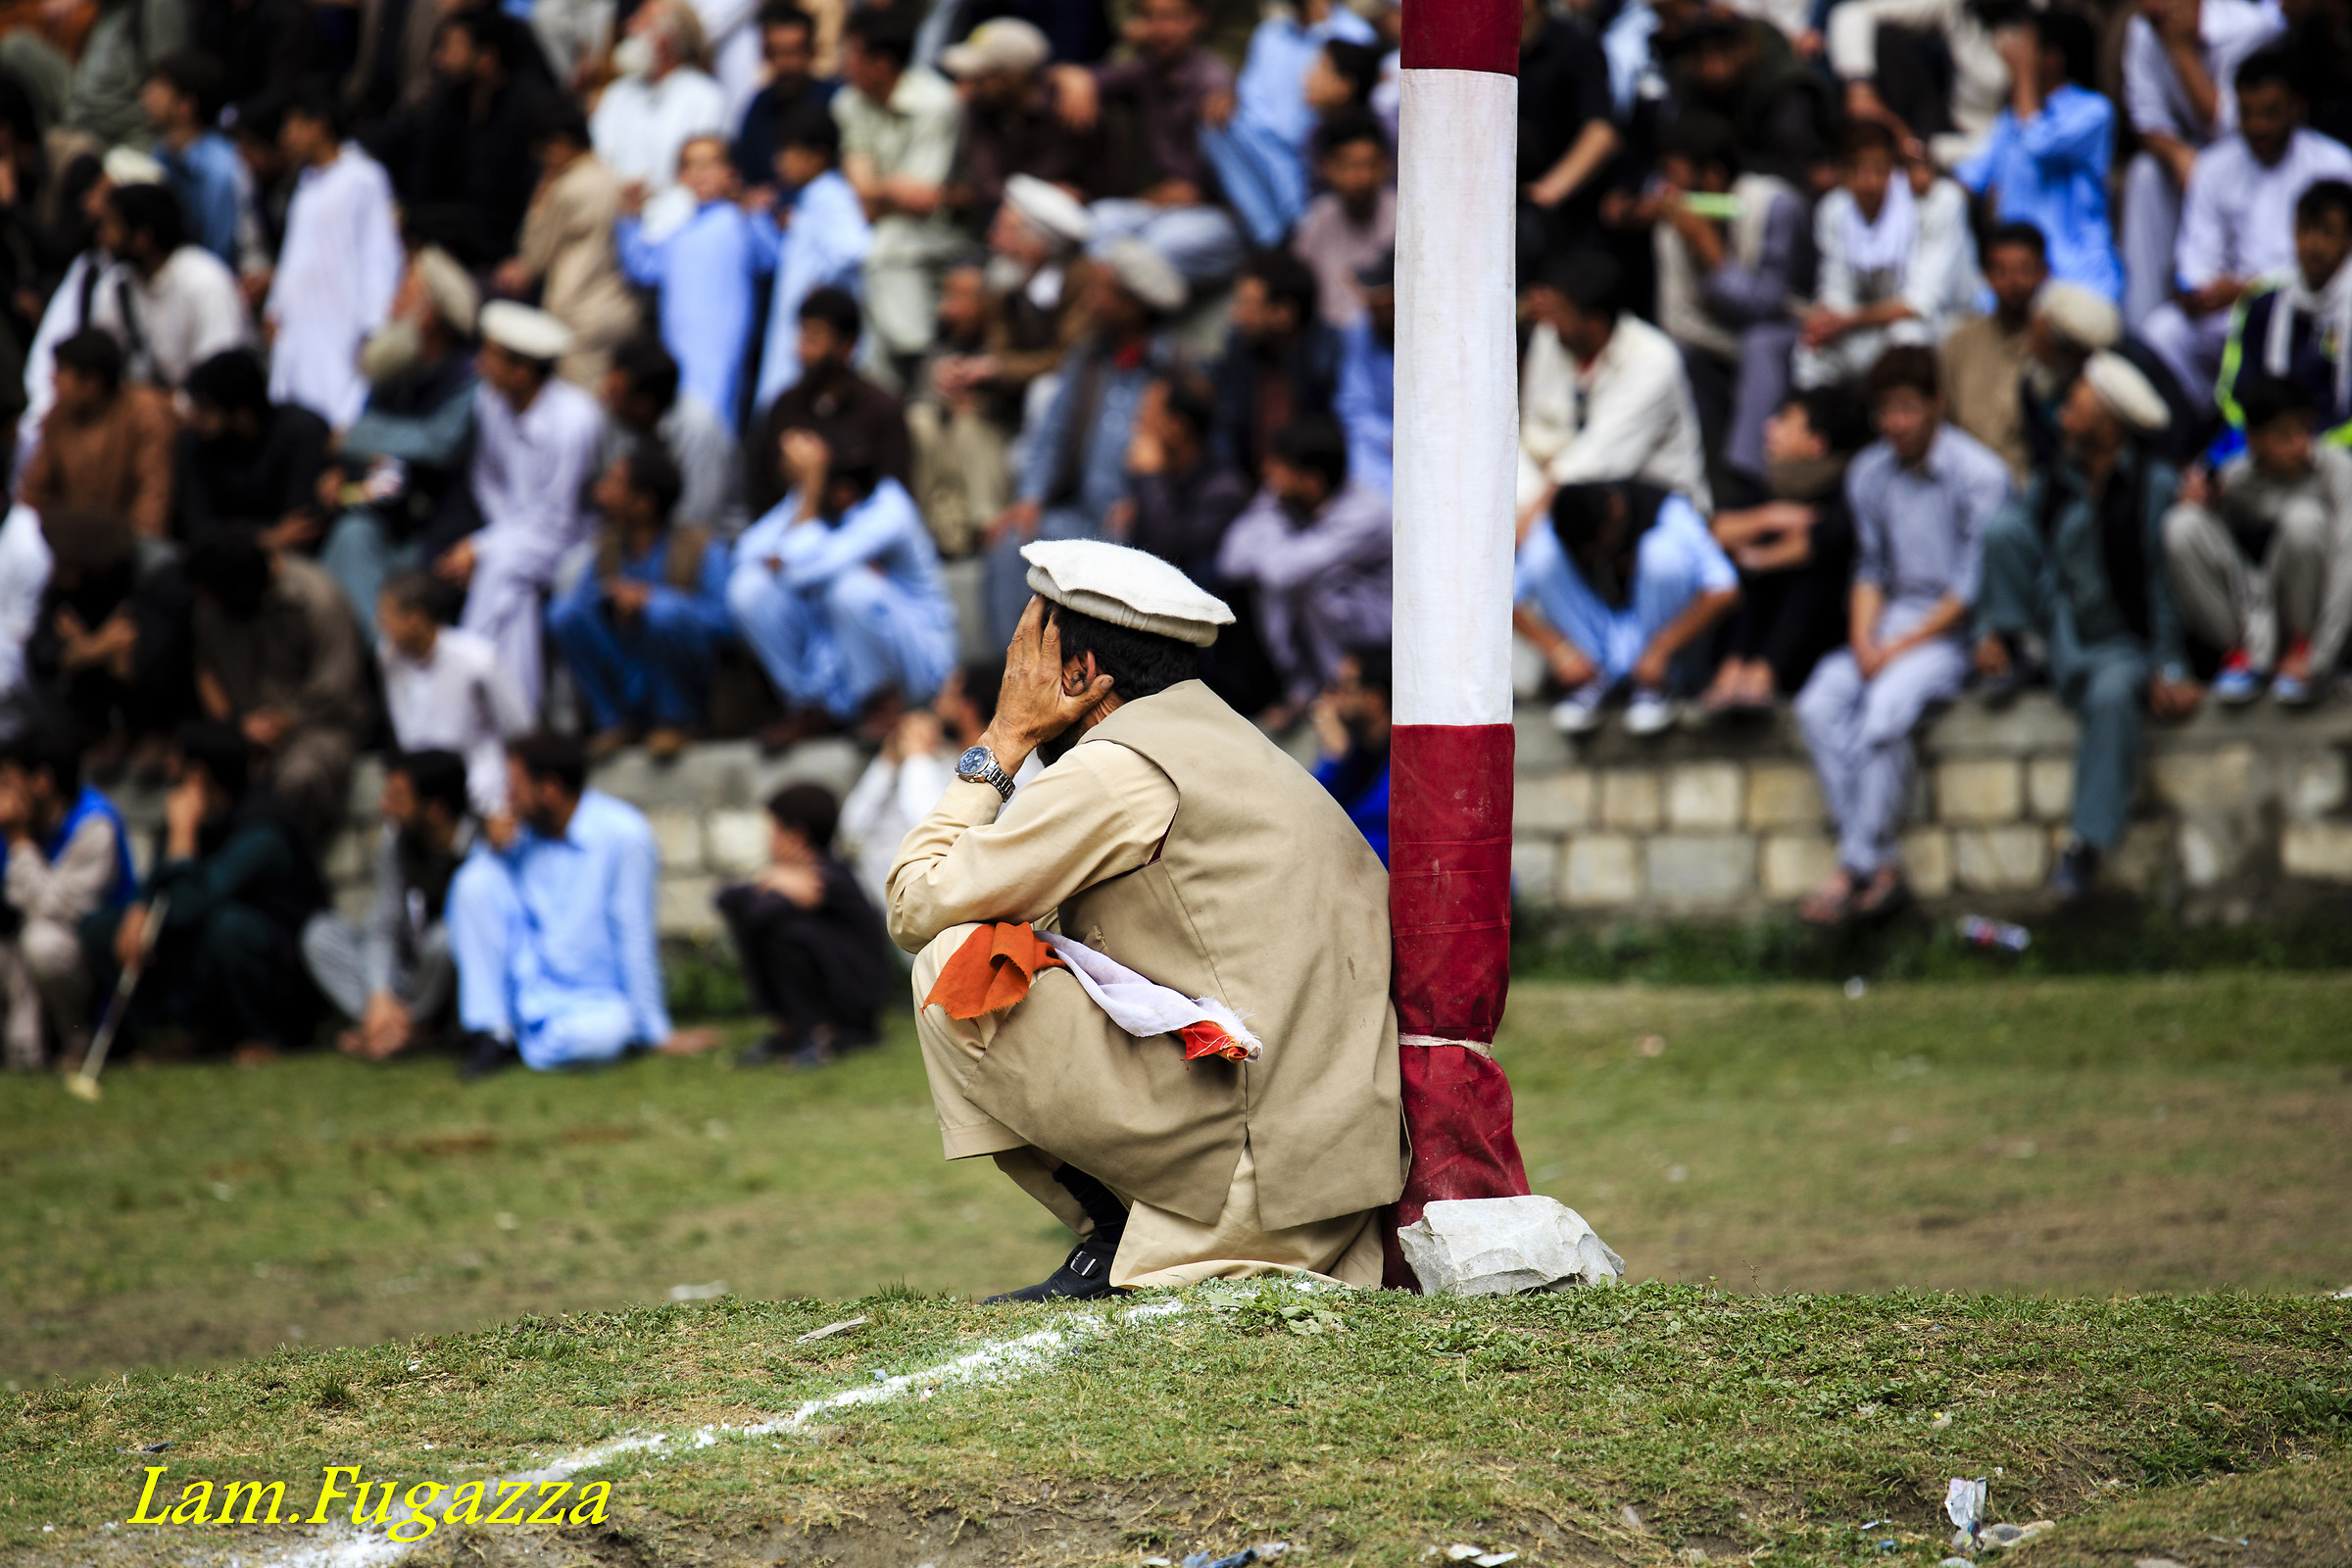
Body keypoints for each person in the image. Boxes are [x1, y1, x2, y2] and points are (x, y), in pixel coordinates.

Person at [888, 546, 1403, 1298]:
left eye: (1024, 660)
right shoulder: (1237, 743)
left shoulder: (1120, 768)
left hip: (1249, 1179)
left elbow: (915, 902)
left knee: (956, 958)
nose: (1014, 681)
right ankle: (1126, 1230)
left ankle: (1114, 1236)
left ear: (1076, 672)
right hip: (1331, 1182)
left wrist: (1001, 740)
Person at [1791, 347, 2009, 922]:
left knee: (1886, 710)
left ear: (1937, 405)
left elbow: (1968, 593)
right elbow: (1870, 570)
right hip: (1886, 629)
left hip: (1949, 636)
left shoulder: (1980, 475)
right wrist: (1865, 641)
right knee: (1819, 703)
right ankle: (1879, 864)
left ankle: (1853, 866)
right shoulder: (1870, 472)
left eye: (1908, 408)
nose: (1896, 424)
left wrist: (1895, 651)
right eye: (1886, 410)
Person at [1974, 353, 2194, 900]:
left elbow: (2164, 585)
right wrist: (1990, 630)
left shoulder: (2153, 486)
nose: (2065, 416)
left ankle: (2085, 845)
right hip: (2058, 632)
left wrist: (2170, 663)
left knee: (2115, 694)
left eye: (2077, 406)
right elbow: (2015, 545)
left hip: (2120, 643)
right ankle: (2020, 651)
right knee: (2003, 530)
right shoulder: (2056, 480)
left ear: (2109, 424)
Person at [447, 732, 706, 1075]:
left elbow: (634, 933)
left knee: (603, 1035)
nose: (508, 799)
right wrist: (491, 851)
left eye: (515, 787)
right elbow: (473, 912)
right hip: (524, 991)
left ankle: (518, 1044)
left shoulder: (623, 835)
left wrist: (655, 1031)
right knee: (473, 881)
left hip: (589, 1002)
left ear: (549, 790)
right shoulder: (518, 835)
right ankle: (494, 1032)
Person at [986, 239, 1188, 644]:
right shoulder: (1089, 357)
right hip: (1076, 513)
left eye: (1103, 292)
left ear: (1133, 305)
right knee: (1013, 545)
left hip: (1134, 522)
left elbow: (1190, 454)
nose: (1091, 302)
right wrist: (1031, 495)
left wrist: (1147, 497)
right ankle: (1011, 668)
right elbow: (1053, 431)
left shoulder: (1176, 369)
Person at [93, 719, 327, 1058]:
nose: (167, 767)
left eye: (176, 760)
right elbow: (160, 882)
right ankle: (185, 1033)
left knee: (226, 927)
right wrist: (139, 907)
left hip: (277, 976)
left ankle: (262, 1036)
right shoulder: (193, 814)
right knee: (103, 928)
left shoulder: (263, 830)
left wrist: (183, 838)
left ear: (198, 775)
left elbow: (190, 907)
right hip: (204, 956)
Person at [2140, 48, 2352, 410]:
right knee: (2163, 332)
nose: (2258, 127)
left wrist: (2248, 291)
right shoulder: (2213, 166)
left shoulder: (2335, 165)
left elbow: (2332, 264)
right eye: (2247, 113)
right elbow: (2196, 256)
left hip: (2309, 306)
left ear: (2297, 107)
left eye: (2270, 113)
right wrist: (2198, 291)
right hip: (2226, 313)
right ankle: (2202, 431)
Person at [728, 428, 956, 742]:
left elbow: (803, 570)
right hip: (837, 658)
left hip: (916, 661)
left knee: (849, 586)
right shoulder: (816, 498)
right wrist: (807, 496)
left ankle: (883, 704)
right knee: (749, 588)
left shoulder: (889, 506)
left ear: (843, 492)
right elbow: (745, 552)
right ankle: (810, 707)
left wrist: (790, 548)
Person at [437, 301, 608, 710]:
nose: (479, 364)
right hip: (512, 539)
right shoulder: (489, 402)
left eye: (490, 356)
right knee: (513, 590)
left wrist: (484, 548)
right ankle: (517, 716)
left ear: (523, 371)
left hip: (571, 543)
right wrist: (496, 541)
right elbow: (488, 482)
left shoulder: (575, 422)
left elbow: (557, 517)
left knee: (499, 569)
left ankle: (461, 694)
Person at [318, 247, 483, 637]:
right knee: (350, 537)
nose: (392, 305)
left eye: (404, 295)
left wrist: (354, 438)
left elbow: (437, 444)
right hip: (389, 516)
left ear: (429, 316)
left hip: (442, 531)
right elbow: (381, 468)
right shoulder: (394, 367)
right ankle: (381, 654)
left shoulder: (467, 378)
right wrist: (347, 487)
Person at [1642, 108, 1808, 483]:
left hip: (1788, 336)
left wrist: (1712, 254)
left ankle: (1745, 480)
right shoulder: (1671, 227)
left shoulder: (1773, 205)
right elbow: (1677, 323)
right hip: (1710, 344)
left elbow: (1766, 306)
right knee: (1673, 357)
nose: (1671, 193)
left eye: (1678, 181)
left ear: (1713, 177)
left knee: (1759, 343)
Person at [2164, 375, 2352, 704]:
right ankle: (2242, 655)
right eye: (2284, 435)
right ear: (2254, 440)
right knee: (2182, 526)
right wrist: (2200, 502)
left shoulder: (2337, 470)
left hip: (2321, 625)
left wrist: (2322, 655)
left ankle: (2301, 649)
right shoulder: (2236, 479)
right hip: (2256, 614)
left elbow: (2348, 562)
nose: (2300, 446)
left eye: (2304, 431)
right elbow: (2209, 554)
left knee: (2304, 520)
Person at [185, 528, 370, 848]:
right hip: (242, 727)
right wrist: (237, 725)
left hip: (319, 726)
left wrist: (282, 721)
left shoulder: (317, 598)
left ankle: (287, 872)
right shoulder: (212, 607)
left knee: (301, 777)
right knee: (197, 776)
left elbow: (337, 689)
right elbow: (205, 670)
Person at [1515, 479, 1741, 736]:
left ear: (1615, 511)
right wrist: (1558, 650)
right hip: (1595, 647)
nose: (1595, 556)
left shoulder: (1668, 510)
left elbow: (1724, 588)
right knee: (1541, 556)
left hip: (1663, 653)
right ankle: (1592, 682)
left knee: (1662, 555)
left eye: (1597, 546)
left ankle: (1655, 688)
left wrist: (1661, 649)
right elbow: (1505, 597)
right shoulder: (1562, 521)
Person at [551, 444, 734, 760]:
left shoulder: (703, 547)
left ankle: (676, 720)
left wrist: (651, 600)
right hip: (627, 669)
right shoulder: (607, 548)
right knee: (563, 614)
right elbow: (580, 611)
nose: (602, 492)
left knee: (662, 613)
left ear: (643, 503)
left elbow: (728, 622)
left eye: (616, 484)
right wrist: (612, 598)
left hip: (688, 678)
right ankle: (614, 723)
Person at [1698, 385, 1870, 712]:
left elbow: (1825, 539)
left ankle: (1763, 674)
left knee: (1807, 576)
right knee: (1740, 575)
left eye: (1784, 421)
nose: (1769, 429)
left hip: (1820, 638)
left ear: (1815, 444)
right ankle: (1732, 670)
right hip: (1758, 625)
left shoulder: (1847, 487)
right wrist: (1768, 519)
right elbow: (1712, 530)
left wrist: (1759, 559)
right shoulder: (1768, 488)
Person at [1052, 0, 1246, 286]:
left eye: (1171, 18)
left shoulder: (1212, 83)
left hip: (1218, 216)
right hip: (1165, 208)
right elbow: (1085, 77)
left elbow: (1187, 192)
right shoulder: (1149, 69)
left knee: (1147, 249)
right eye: (1151, 18)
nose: (1161, 29)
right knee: (1098, 221)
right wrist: (1072, 78)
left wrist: (1137, 204)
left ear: (1197, 21)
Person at [2120, 0, 2286, 328]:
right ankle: (2140, 323)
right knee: (2144, 174)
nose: (2151, 9)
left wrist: (2180, 51)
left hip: (2249, 157)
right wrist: (2179, 156)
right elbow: (2145, 117)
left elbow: (2238, 123)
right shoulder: (2144, 28)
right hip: (2188, 160)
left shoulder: (2250, 29)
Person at [301, 748, 471, 1061]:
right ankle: (387, 1025)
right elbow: (384, 923)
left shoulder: (478, 845)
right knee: (321, 935)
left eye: (397, 797)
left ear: (435, 808)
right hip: (413, 972)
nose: (384, 807)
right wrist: (380, 995)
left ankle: (406, 1028)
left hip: (454, 979)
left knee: (445, 939)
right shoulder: (398, 840)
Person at [1214, 416, 1392, 712]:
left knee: (1312, 585)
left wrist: (1268, 544)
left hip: (1376, 635)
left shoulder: (1367, 513)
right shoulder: (1284, 498)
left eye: (1280, 470)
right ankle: (1302, 689)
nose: (1268, 476)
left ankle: (1333, 694)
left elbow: (1282, 574)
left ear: (1312, 482)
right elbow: (1230, 560)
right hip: (1327, 629)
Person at [1518, 249, 1712, 517]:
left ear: (1595, 324)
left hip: (1657, 513)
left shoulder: (1655, 359)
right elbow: (1533, 431)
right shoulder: (1550, 337)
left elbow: (1599, 461)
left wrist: (1528, 521)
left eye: (1561, 312)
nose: (1551, 322)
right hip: (1568, 501)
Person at [718, 780, 894, 1067]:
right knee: (767, 927)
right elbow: (726, 901)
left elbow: (758, 913)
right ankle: (792, 1027)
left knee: (786, 933)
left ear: (795, 836)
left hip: (857, 992)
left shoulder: (826, 877)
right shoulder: (791, 877)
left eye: (772, 830)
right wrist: (767, 881)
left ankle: (819, 1032)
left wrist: (770, 886)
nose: (768, 839)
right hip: (839, 984)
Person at [1794, 122, 1981, 391]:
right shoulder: (1834, 209)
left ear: (1896, 168)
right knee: (1811, 350)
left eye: (1879, 170)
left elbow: (1921, 304)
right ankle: (1819, 425)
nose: (1869, 182)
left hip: (1947, 325)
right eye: (1857, 170)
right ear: (1843, 174)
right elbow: (1835, 290)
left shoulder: (1939, 202)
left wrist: (1849, 321)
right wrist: (1827, 323)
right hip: (1868, 327)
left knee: (1907, 340)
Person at [1955, 8, 2125, 303]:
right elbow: (1969, 180)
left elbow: (2038, 144)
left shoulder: (2094, 111)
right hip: (2012, 281)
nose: (2012, 49)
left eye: (2025, 45)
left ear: (2052, 59)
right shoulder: (2010, 120)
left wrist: (2022, 77)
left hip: (2078, 276)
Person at [832, 4, 961, 380]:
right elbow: (865, 196)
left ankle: (919, 355)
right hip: (876, 226)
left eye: (851, 54)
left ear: (882, 63)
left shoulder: (936, 103)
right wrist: (885, 190)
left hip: (939, 233)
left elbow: (922, 199)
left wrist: (874, 188)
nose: (844, 64)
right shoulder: (848, 102)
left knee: (884, 246)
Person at [263, 89, 404, 430]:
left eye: (294, 125)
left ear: (319, 125)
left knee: (336, 407)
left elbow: (378, 255)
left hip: (342, 321)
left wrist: (374, 327)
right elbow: (295, 255)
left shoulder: (363, 177)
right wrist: (275, 305)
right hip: (299, 321)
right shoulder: (306, 183)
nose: (287, 137)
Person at [26, 508, 194, 779]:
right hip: (99, 698)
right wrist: (95, 648)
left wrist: (86, 648)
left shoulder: (158, 574)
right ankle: (106, 735)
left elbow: (155, 663)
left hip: (162, 698)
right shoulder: (66, 584)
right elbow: (41, 654)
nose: (54, 570)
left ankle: (153, 735)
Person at [0, 731, 133, 1068]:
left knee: (43, 942)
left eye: (8, 781)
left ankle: (77, 1041)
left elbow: (56, 907)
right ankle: (21, 1049)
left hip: (93, 947)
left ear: (42, 782)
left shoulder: (94, 822)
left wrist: (18, 841)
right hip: (22, 940)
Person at [1198, 0, 1378, 249]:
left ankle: (1290, 236)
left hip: (1315, 151)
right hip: (1269, 152)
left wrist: (1320, 25)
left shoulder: (1353, 32)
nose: (1307, 76)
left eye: (1316, 69)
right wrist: (1229, 97)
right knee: (1214, 124)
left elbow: (1346, 95)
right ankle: (1269, 239)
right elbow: (1250, 101)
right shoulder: (1268, 33)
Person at [616, 133, 765, 431]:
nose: (701, 173)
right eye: (692, 166)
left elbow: (768, 255)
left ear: (731, 172)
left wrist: (751, 209)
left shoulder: (739, 220)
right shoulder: (679, 232)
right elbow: (643, 267)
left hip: (721, 350)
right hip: (678, 348)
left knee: (715, 423)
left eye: (712, 164)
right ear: (680, 176)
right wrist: (631, 217)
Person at [501, 102, 642, 389]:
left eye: (542, 150)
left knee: (580, 409)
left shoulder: (568, 189)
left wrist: (541, 195)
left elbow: (534, 257)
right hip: (619, 309)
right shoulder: (613, 179)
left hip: (578, 314)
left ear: (559, 144)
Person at [839, 661, 1001, 908]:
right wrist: (888, 761)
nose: (935, 705)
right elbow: (851, 829)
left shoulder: (1011, 772)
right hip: (876, 898)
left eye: (946, 694)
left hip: (930, 914)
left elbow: (935, 835)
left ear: (967, 709)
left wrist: (916, 755)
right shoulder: (939, 761)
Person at [746, 102, 871, 417]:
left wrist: (824, 286)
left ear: (817, 157)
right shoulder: (808, 199)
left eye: (788, 152)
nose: (779, 161)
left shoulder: (830, 194)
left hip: (812, 340)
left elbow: (854, 251)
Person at [745, 284, 909, 515]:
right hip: (788, 529)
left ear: (847, 345)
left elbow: (893, 500)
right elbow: (763, 494)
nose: (802, 350)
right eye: (801, 334)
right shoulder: (785, 406)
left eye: (814, 337)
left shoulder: (881, 409)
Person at [377, 570, 532, 814]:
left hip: (481, 788)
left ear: (416, 619)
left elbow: (520, 729)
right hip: (421, 793)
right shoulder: (388, 658)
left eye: (388, 614)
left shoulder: (477, 658)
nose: (381, 624)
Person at [83, 180, 253, 399]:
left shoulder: (204, 281)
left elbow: (221, 375)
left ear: (142, 238)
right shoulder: (116, 284)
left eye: (112, 226)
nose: (102, 238)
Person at [2216, 177, 2352, 439]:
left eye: (2327, 232)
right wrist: (2268, 440)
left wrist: (2309, 450)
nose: (2314, 245)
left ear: (2348, 239)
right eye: (2305, 229)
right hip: (2264, 446)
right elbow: (2233, 395)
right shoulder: (2263, 301)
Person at [19, 329, 176, 542]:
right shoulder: (59, 416)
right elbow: (34, 492)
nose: (53, 379)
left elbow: (153, 496)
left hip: (129, 544)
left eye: (62, 372)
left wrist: (129, 549)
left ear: (91, 383)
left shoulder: (144, 413)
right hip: (73, 545)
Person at [942, 17, 1101, 222]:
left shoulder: (1068, 108)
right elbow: (986, 185)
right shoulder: (981, 107)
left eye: (981, 77)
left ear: (1014, 76)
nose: (966, 89)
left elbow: (1067, 191)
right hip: (999, 221)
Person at [172, 348, 330, 549]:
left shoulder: (301, 432)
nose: (194, 418)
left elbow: (301, 527)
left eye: (206, 409)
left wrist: (237, 532)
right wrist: (266, 537)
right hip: (216, 564)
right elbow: (199, 528)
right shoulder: (193, 443)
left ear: (243, 416)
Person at [1211, 249, 1340, 486]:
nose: (1236, 315)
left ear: (1283, 314)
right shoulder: (1239, 350)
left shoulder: (1330, 357)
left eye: (1247, 305)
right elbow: (1227, 430)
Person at [601, 334, 745, 539]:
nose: (605, 397)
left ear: (644, 404)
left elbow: (698, 519)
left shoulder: (699, 429)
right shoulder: (618, 417)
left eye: (615, 394)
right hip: (637, 538)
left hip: (705, 548)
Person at [1515, 0, 1618, 280]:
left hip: (1562, 216)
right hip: (1504, 204)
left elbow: (1601, 132)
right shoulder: (1492, 44)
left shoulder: (1576, 45)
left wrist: (1548, 191)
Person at [1941, 221, 2051, 480]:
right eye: (2001, 271)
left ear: (2043, 273)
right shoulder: (1960, 342)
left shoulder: (2054, 342)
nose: (2012, 282)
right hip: (1965, 483)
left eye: (2024, 270)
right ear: (1986, 276)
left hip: (2027, 486)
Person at [589, 0, 729, 202]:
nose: (630, 26)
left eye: (642, 21)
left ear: (666, 37)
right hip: (616, 208)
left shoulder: (705, 97)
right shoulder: (617, 93)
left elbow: (703, 173)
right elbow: (599, 156)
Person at [1121, 371, 1251, 579]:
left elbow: (1166, 550)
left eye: (1148, 413)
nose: (1138, 421)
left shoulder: (1225, 492)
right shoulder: (1169, 477)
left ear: (1177, 428)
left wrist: (1151, 478)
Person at [1289, 112, 1395, 331]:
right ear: (1328, 168)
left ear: (1385, 164)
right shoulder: (1317, 219)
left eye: (1369, 164)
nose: (1361, 177)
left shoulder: (1403, 217)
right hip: (1327, 344)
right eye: (1349, 165)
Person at [141, 51, 246, 268]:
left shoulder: (219, 169)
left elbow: (220, 255)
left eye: (161, 86)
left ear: (185, 106)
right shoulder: (161, 154)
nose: (147, 93)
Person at [731, 3, 830, 192]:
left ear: (813, 51)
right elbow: (747, 179)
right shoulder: (758, 107)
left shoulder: (836, 101)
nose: (785, 64)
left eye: (793, 52)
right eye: (775, 53)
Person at [1309, 643, 1391, 866]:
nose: (1328, 696)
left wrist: (1333, 758)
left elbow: (1370, 847)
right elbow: (1306, 817)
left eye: (1342, 686)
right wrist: (1335, 756)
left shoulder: (1403, 767)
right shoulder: (1356, 753)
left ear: (1374, 700)